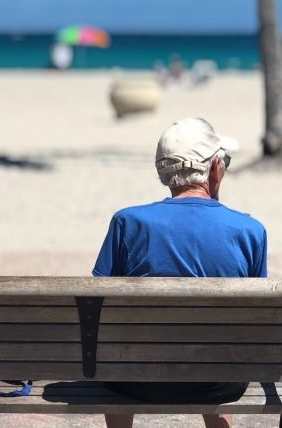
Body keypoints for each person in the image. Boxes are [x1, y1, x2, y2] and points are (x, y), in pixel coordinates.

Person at [92, 118, 267, 428]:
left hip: (135, 381)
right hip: (219, 383)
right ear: (215, 168)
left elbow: (98, 308)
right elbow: (257, 322)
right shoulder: (249, 231)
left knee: (118, 345)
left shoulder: (128, 223)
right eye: (224, 161)